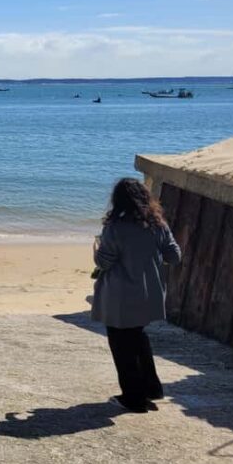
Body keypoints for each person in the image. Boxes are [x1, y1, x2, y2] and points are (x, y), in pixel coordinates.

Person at [92, 177, 182, 413]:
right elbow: (174, 256)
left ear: (118, 201)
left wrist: (96, 249)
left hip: (120, 296)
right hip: (149, 294)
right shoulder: (158, 225)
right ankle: (151, 389)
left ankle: (133, 398)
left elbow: (104, 262)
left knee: (122, 345)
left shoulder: (115, 228)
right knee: (138, 338)